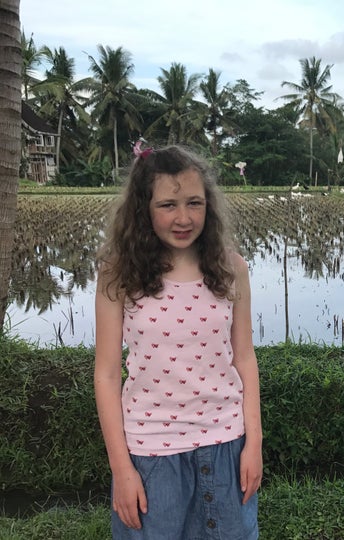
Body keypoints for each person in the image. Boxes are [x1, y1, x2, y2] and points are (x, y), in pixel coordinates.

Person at [94, 143, 262, 539]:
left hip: (226, 445)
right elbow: (105, 374)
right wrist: (122, 469)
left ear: (209, 205)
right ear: (143, 208)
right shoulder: (119, 273)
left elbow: (245, 359)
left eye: (195, 203)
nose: (184, 218)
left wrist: (253, 444)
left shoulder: (231, 268)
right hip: (151, 454)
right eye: (168, 205)